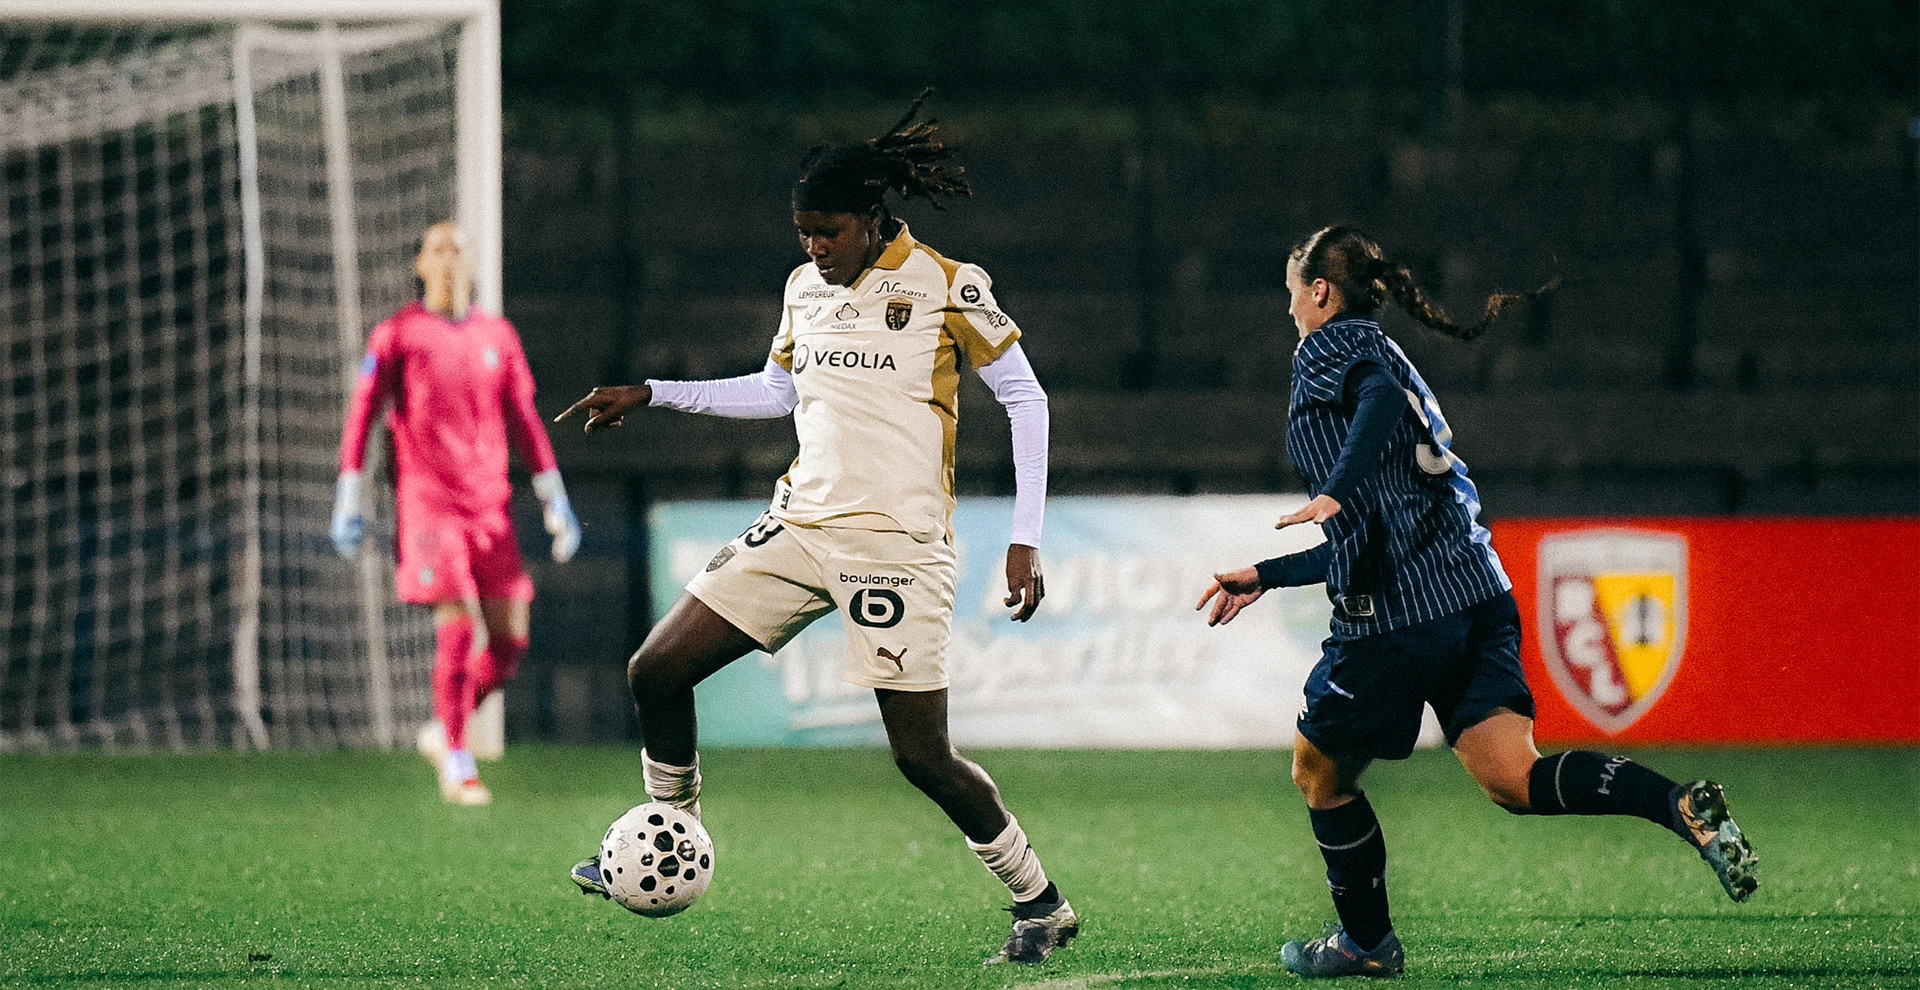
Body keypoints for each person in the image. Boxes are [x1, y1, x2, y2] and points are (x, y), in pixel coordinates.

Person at [556, 93, 1077, 965]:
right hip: (801, 526)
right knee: (656, 670)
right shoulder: (805, 290)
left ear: (870, 219)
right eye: (803, 234)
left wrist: (1026, 537)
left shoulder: (948, 284)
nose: (814, 248)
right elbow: (776, 392)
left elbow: (1027, 399)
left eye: (828, 232)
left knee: (922, 756)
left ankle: (1041, 903)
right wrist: (655, 392)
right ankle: (669, 836)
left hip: (897, 548)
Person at [1196, 226, 1757, 979]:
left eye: (1293, 292)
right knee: (1513, 777)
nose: (1290, 308)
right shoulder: (1388, 352)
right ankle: (1678, 806)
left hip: (1399, 615)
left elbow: (1375, 411)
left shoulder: (1331, 348)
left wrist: (1334, 490)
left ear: (1320, 292)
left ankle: (1367, 944)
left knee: (1319, 774)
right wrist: (1269, 572)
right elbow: (1376, 526)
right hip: (1475, 593)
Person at [331, 221, 581, 806]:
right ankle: (459, 760)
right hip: (428, 504)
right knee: (460, 624)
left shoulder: (498, 335)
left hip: (489, 506)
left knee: (509, 645)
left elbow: (524, 418)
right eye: (438, 249)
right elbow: (364, 411)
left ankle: (446, 728)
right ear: (421, 264)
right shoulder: (398, 333)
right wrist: (349, 492)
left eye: (459, 249)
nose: (449, 258)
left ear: (472, 263)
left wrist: (553, 494)